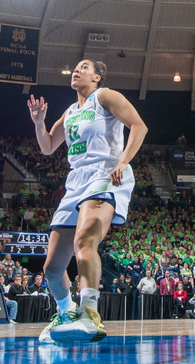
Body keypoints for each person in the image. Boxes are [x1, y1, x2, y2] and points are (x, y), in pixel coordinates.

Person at [26, 59, 148, 344]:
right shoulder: (69, 112)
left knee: (85, 240)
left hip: (106, 171)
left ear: (97, 77)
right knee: (52, 269)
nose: (77, 70)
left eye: (84, 67)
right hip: (76, 181)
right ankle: (66, 312)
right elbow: (46, 147)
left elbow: (139, 127)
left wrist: (123, 161)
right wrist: (38, 122)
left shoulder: (104, 96)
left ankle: (90, 313)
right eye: (75, 67)